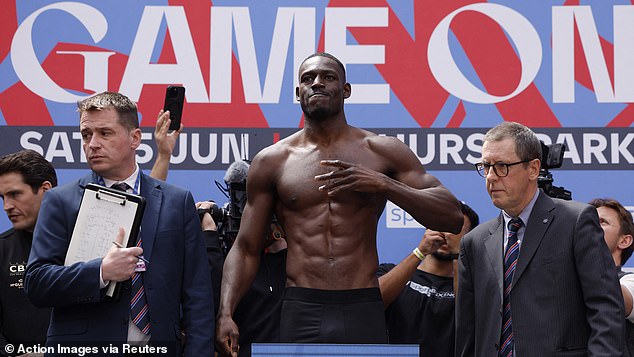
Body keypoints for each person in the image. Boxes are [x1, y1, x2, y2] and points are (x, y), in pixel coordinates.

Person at [216, 52, 463, 356]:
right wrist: (226, 312)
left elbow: (452, 216)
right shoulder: (273, 161)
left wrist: (384, 184)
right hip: (300, 306)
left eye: (328, 77)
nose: (317, 83)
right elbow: (246, 248)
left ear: (346, 90)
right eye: (308, 78)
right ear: (298, 93)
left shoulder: (382, 151)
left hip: (363, 305)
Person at [25, 91, 214, 356]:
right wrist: (100, 272)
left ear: (135, 138)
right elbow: (37, 283)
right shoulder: (59, 201)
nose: (93, 144)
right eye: (86, 134)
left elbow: (198, 294)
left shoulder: (177, 201)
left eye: (105, 133)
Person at [456, 121, 624, 356]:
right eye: (486, 166)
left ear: (533, 169)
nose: (491, 176)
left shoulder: (575, 222)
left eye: (502, 166)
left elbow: (606, 308)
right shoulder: (474, 241)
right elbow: (467, 332)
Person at [377, 202, 479, 357]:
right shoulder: (390, 271)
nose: (446, 234)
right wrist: (420, 251)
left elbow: (468, 319)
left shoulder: (472, 287)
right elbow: (372, 304)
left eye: (455, 229)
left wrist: (460, 254)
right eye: (441, 225)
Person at [0, 150, 55, 356]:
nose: (7, 206)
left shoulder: (83, 242)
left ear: (45, 190)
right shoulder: (2, 249)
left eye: (14, 194)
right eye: (3, 197)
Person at [589, 198, 634, 356]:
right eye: (586, 221)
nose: (589, 227)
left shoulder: (630, 281)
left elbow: (619, 299)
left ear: (624, 240)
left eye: (601, 222)